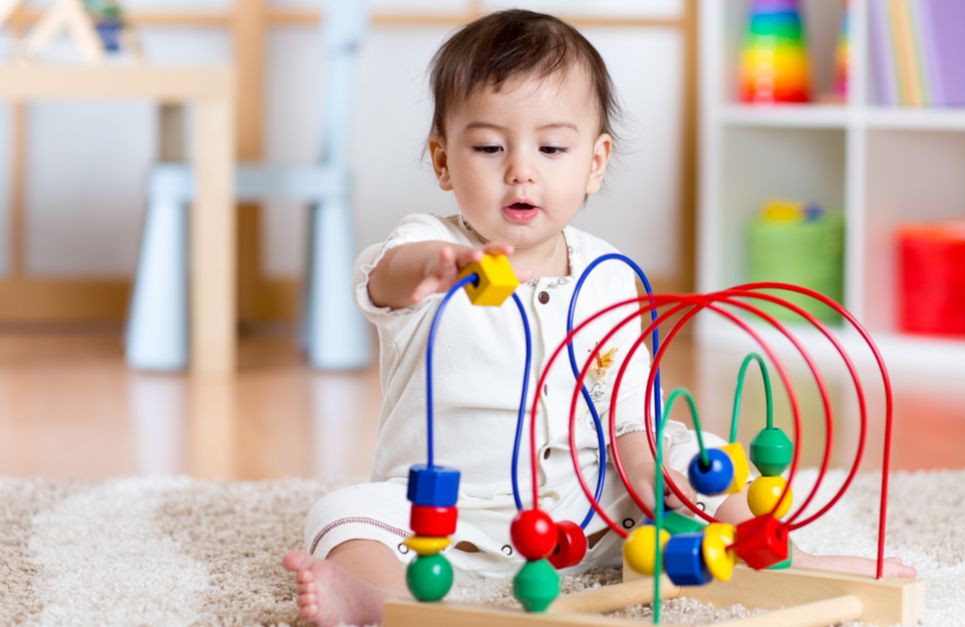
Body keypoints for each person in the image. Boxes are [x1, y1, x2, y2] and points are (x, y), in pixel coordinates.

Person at [282, 9, 914, 626]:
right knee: (344, 514)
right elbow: (385, 277)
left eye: (552, 146)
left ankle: (785, 560)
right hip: (448, 521)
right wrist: (437, 266)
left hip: (593, 518)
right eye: (489, 146)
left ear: (595, 163)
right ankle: (384, 603)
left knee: (707, 458)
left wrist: (642, 471)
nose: (520, 169)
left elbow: (629, 405)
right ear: (443, 160)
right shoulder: (428, 247)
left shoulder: (608, 276)